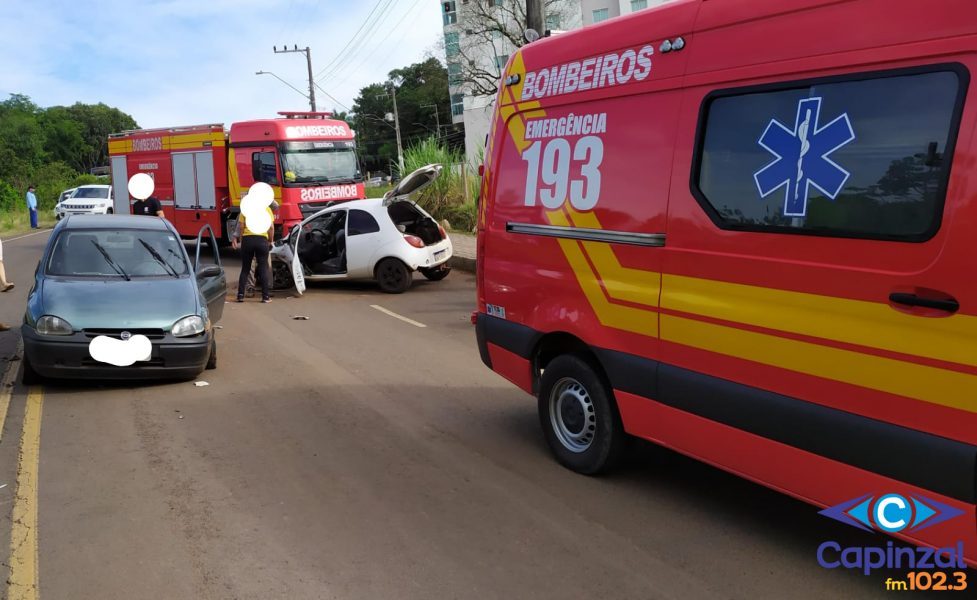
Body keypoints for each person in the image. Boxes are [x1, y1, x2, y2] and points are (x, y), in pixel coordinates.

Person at [233, 204, 274, 303]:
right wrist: (270, 240)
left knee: (245, 269)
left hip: (248, 239)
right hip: (262, 239)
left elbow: (241, 226)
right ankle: (265, 297)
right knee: (263, 268)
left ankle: (240, 295)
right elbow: (271, 227)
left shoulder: (245, 208)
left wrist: (242, 239)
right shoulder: (266, 209)